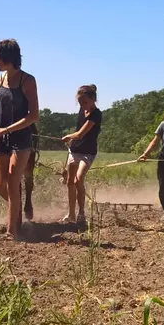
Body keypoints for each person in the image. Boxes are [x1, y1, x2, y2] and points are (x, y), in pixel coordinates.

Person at [0, 39, 39, 240]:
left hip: (21, 138)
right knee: (0, 186)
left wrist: (6, 128)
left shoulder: (27, 81)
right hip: (0, 139)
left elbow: (33, 115)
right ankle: (15, 212)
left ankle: (12, 231)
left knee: (12, 183)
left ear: (7, 58)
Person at [59, 84, 102, 225]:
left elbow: (80, 133)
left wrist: (69, 136)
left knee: (78, 180)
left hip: (88, 153)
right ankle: (71, 214)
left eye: (85, 102)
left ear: (93, 99)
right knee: (70, 182)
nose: (82, 105)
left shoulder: (96, 114)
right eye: (80, 102)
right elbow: (77, 132)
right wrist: (71, 141)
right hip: (75, 150)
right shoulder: (81, 110)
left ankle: (81, 214)